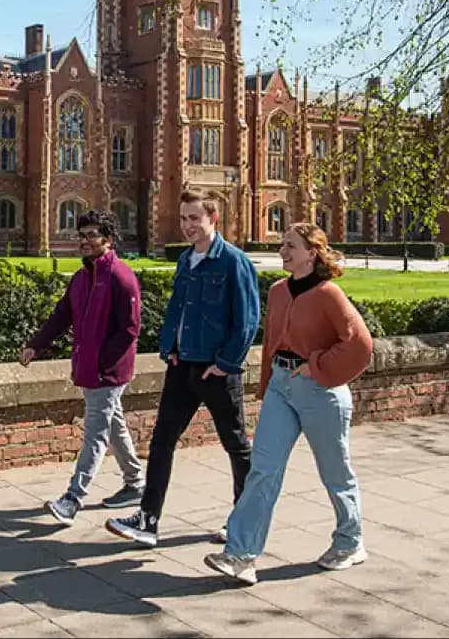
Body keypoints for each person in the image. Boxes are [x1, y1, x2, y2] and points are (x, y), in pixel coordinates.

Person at [204, 222, 373, 585]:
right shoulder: (279, 291)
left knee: (335, 473)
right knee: (263, 469)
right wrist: (268, 386)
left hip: (320, 392)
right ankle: (241, 555)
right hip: (282, 388)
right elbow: (271, 344)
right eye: (282, 244)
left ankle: (350, 542)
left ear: (312, 252)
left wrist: (317, 367)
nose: (282, 251)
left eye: (290, 245)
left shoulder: (330, 294)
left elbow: (360, 345)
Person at [105, 189, 260, 548]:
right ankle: (148, 520)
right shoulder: (186, 260)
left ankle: (244, 520)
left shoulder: (233, 262)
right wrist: (168, 348)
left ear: (213, 219)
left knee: (235, 445)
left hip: (216, 370)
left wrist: (225, 364)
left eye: (195, 218)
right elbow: (178, 309)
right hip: (182, 364)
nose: (188, 225)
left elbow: (248, 320)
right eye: (184, 218)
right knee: (161, 442)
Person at [20, 208, 146, 525]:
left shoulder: (121, 276)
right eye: (82, 235)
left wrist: (104, 363)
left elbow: (130, 330)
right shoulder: (81, 278)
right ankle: (135, 483)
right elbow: (62, 316)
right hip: (89, 367)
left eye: (92, 235)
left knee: (95, 434)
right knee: (112, 424)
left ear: (109, 239)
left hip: (108, 372)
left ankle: (73, 498)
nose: (85, 241)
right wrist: (36, 344)